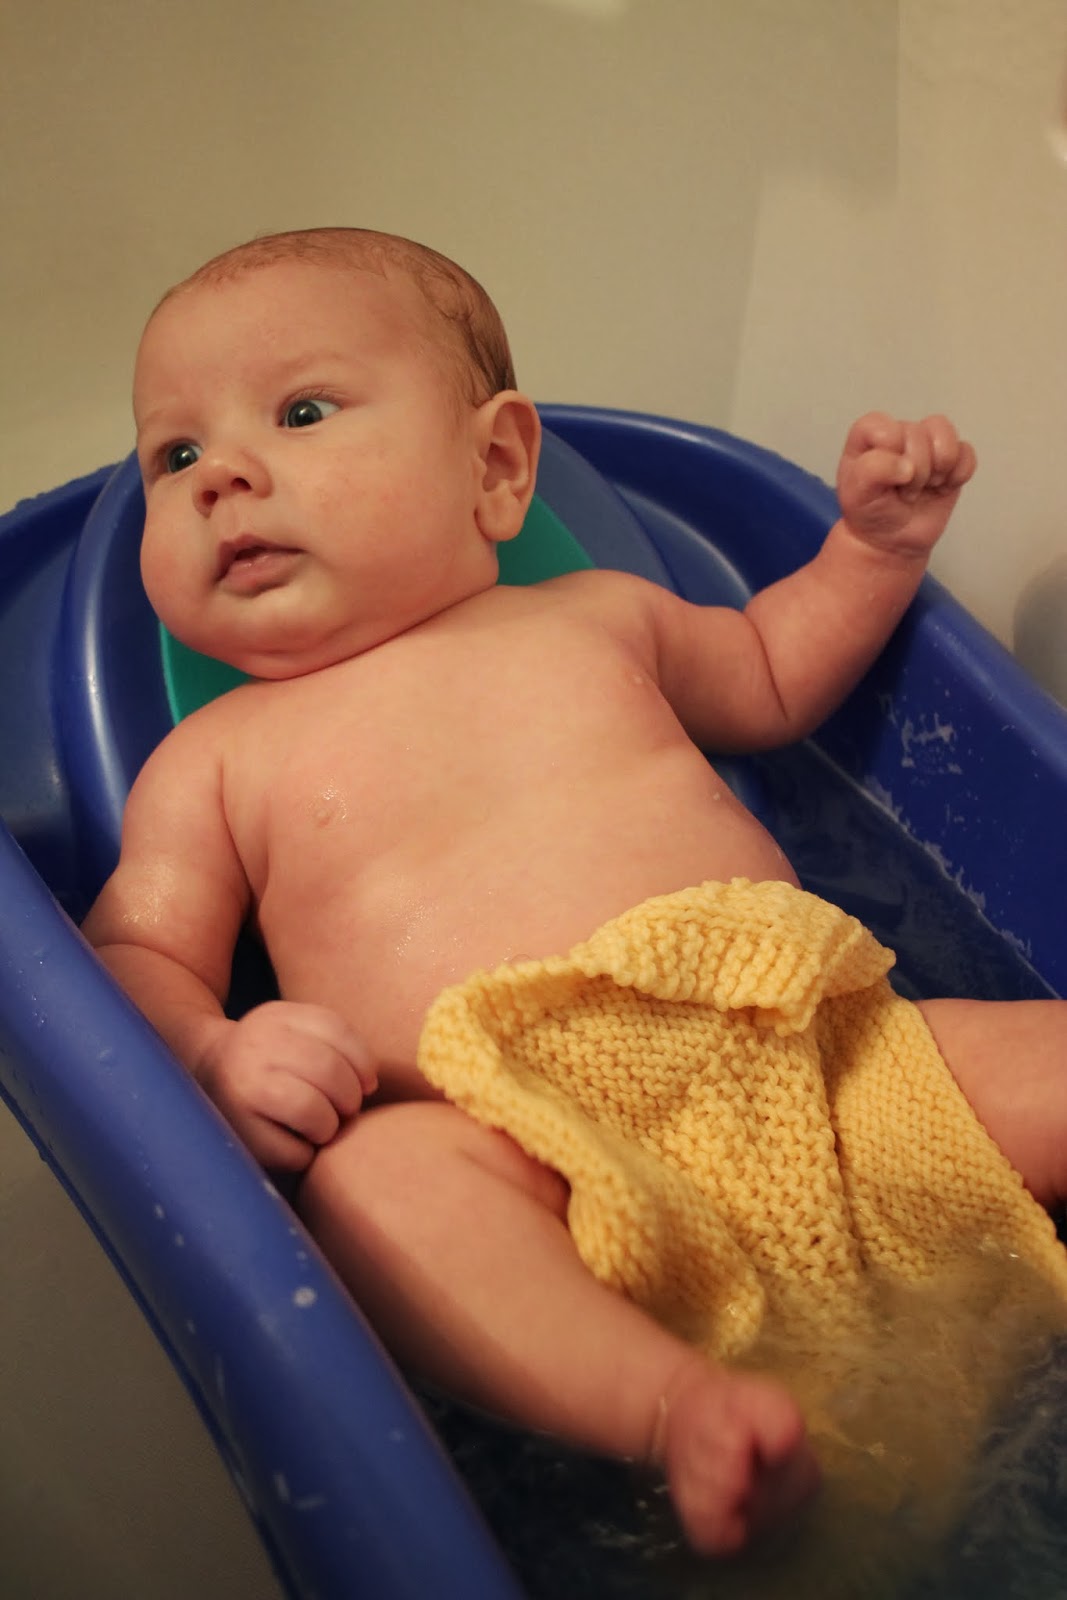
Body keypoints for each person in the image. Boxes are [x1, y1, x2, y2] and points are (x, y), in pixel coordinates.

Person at [83, 226, 1067, 1561]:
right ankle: (673, 1408)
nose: (221, 477)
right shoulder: (211, 761)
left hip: (829, 1065)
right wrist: (215, 1053)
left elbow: (772, 674)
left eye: (300, 413)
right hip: (531, 1149)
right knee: (375, 1187)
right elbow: (136, 958)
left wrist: (873, 552)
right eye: (172, 456)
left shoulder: (603, 616)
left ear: (494, 468)